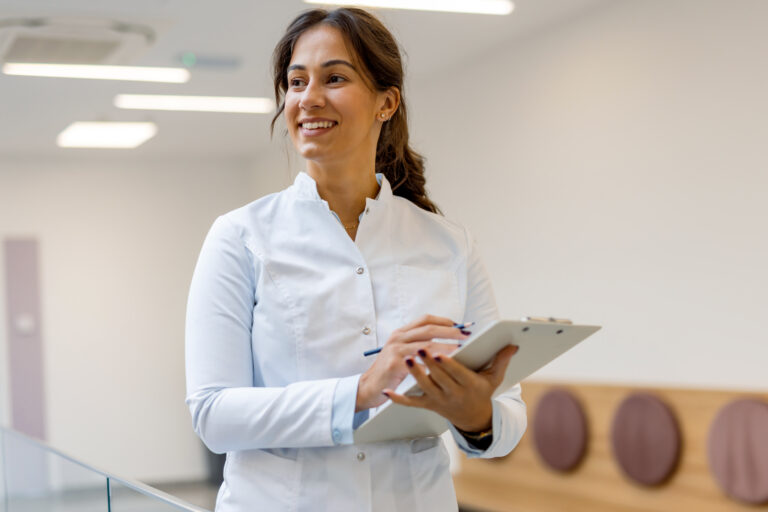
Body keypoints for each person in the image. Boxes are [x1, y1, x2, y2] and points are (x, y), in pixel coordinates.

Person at [185, 7, 527, 511]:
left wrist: (477, 416)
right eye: (296, 81)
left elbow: (507, 416)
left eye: (335, 77)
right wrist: (360, 391)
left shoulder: (449, 244)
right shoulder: (240, 237)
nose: (308, 98)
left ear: (386, 103)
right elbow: (213, 414)